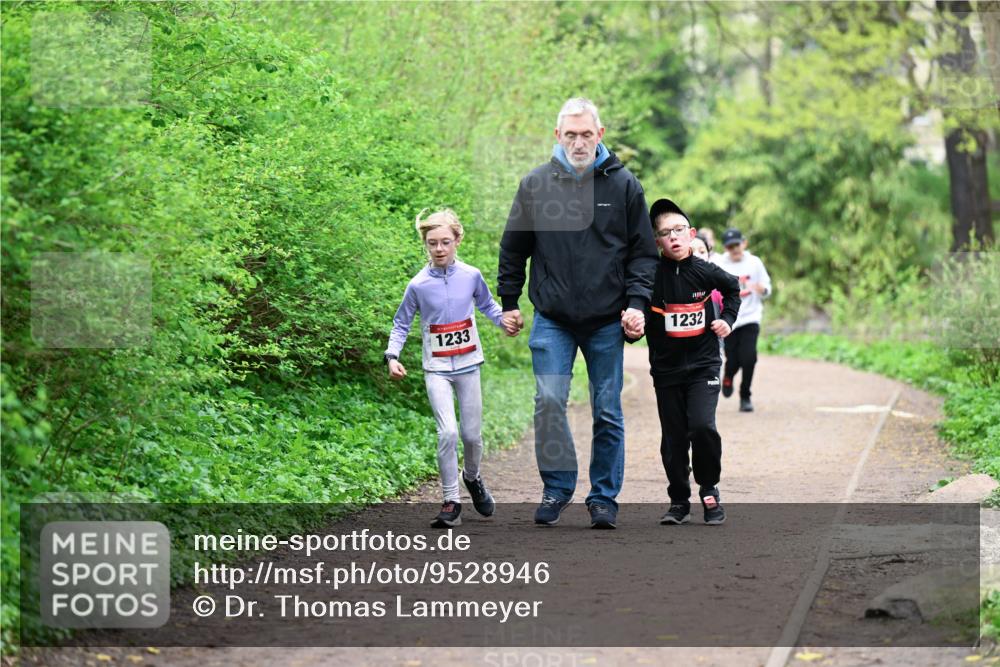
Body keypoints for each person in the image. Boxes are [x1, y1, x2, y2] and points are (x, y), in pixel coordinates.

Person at [497, 97, 658, 529]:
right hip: (553, 318)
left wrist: (637, 304)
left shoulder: (624, 186)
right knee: (548, 400)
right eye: (571, 134)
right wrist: (509, 303)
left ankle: (603, 497)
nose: (579, 141)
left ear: (600, 134)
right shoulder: (535, 184)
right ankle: (557, 487)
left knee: (607, 408)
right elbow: (514, 249)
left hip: (607, 320)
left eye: (587, 133)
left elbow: (643, 255)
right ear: (557, 136)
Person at [384, 208, 518, 528]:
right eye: (432, 243)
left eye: (445, 242)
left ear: (457, 240)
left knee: (472, 436)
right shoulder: (417, 285)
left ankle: (471, 477)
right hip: (437, 368)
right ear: (425, 245)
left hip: (469, 364)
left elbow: (487, 304)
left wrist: (504, 321)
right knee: (448, 432)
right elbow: (401, 324)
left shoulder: (471, 275)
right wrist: (392, 356)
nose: (439, 249)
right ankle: (450, 501)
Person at [644, 199, 741, 526]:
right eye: (665, 233)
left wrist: (727, 319)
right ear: (656, 241)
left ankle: (709, 487)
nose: (673, 237)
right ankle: (678, 499)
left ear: (691, 234)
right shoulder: (649, 275)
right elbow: (635, 317)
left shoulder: (705, 270)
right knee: (672, 438)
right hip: (666, 369)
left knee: (701, 426)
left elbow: (732, 291)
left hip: (703, 366)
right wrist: (631, 330)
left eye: (679, 230)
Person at [713, 227, 772, 413]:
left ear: (744, 243)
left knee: (749, 357)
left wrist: (763, 289)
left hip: (750, 316)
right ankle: (728, 375)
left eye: (737, 245)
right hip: (729, 318)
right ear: (725, 248)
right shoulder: (719, 263)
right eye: (730, 247)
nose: (734, 250)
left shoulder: (754, 262)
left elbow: (767, 286)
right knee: (733, 358)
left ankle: (745, 396)